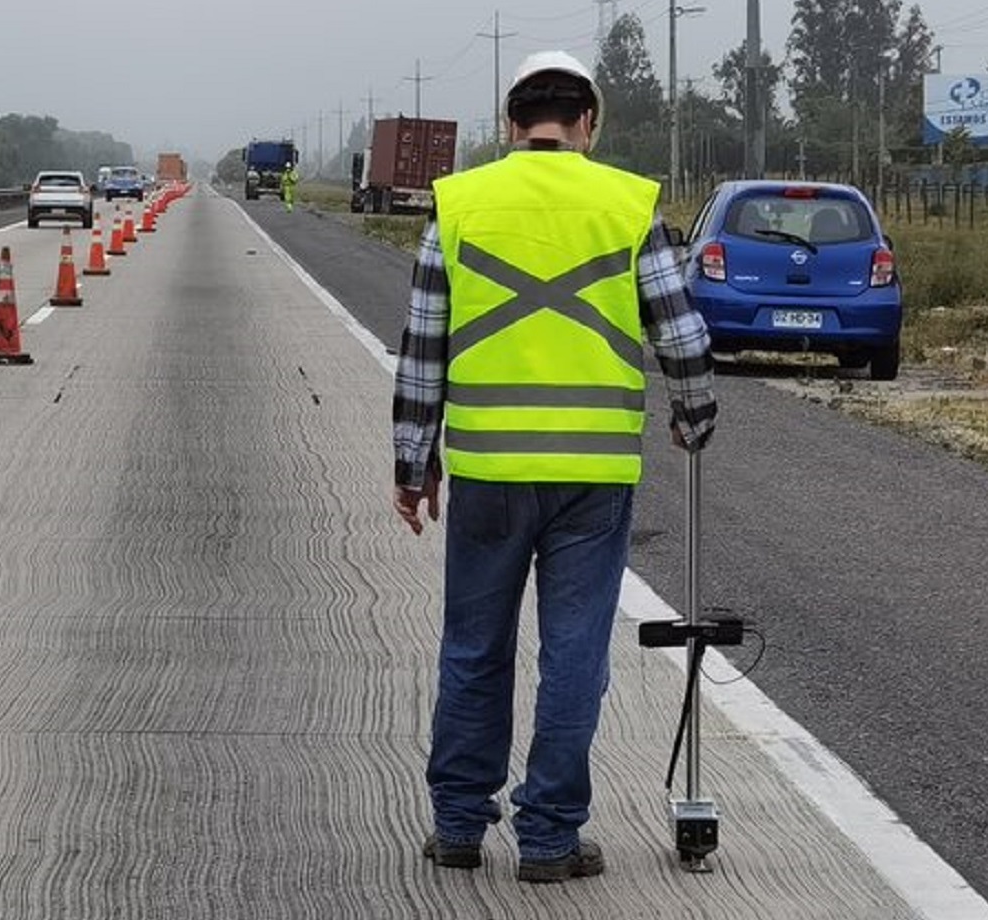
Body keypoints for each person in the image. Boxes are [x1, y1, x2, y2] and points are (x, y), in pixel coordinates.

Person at [391, 50, 717, 884]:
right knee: (574, 653)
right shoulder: (629, 203)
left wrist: (413, 458)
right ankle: (549, 838)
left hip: (490, 468)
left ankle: (459, 827)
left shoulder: (459, 204)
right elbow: (679, 336)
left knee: (474, 648)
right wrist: (694, 417)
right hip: (593, 473)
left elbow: (424, 344)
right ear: (589, 124)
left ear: (508, 125)